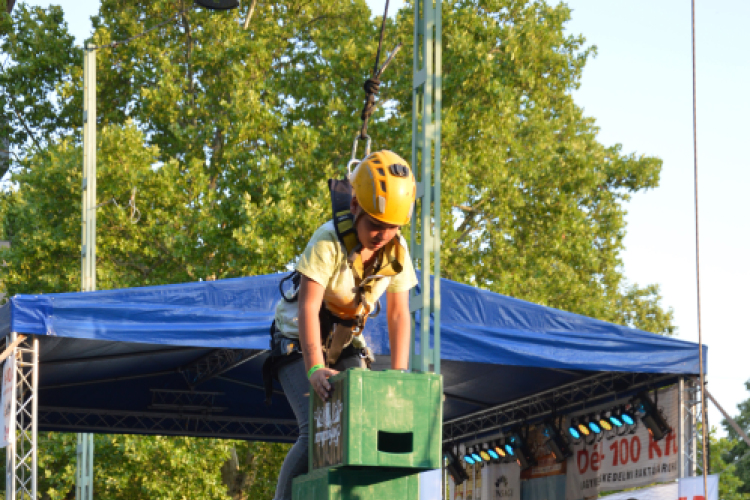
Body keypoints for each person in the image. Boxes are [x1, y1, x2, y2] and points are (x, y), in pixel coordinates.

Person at [269, 150, 418, 500]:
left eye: (391, 228)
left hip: (344, 340)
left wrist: (398, 374)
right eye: (374, 226)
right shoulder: (328, 240)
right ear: (354, 209)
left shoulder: (397, 252)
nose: (382, 235)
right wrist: (315, 369)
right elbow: (307, 307)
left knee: (359, 419)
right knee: (316, 426)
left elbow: (398, 314)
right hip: (296, 341)